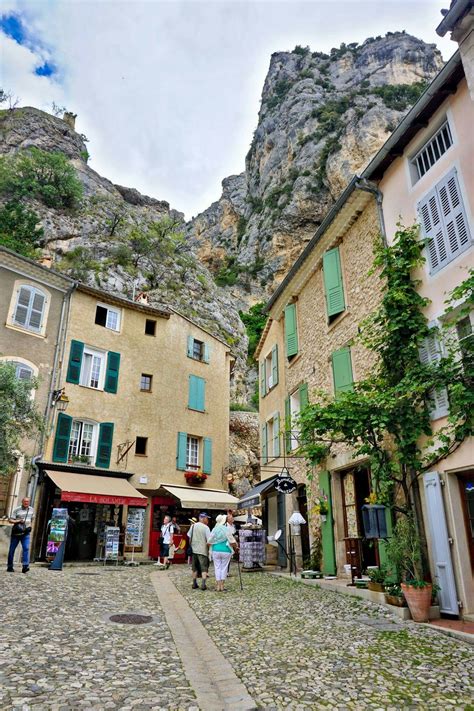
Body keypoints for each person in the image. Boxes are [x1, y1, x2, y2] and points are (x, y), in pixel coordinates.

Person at [208, 514, 238, 592]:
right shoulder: (226, 529)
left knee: (217, 567)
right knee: (224, 568)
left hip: (216, 550)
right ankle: (222, 586)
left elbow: (209, 541)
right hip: (226, 550)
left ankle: (218, 586)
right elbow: (232, 540)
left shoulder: (214, 529)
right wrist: (236, 547)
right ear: (224, 521)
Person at [7, 496, 34, 573]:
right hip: (16, 533)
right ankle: (10, 566)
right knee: (12, 549)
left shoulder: (31, 510)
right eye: (25, 501)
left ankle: (25, 566)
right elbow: (10, 520)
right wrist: (18, 521)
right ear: (22, 502)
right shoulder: (17, 509)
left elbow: (32, 519)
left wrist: (30, 526)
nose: (26, 503)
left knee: (26, 548)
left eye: (27, 501)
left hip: (26, 533)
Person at [189, 512, 211, 590]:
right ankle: (203, 584)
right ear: (203, 518)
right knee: (204, 567)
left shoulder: (193, 526)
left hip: (194, 550)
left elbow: (189, 537)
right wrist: (209, 550)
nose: (207, 520)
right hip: (203, 550)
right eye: (206, 518)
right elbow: (209, 541)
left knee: (194, 568)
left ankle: (194, 583)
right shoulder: (206, 528)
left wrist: (192, 546)